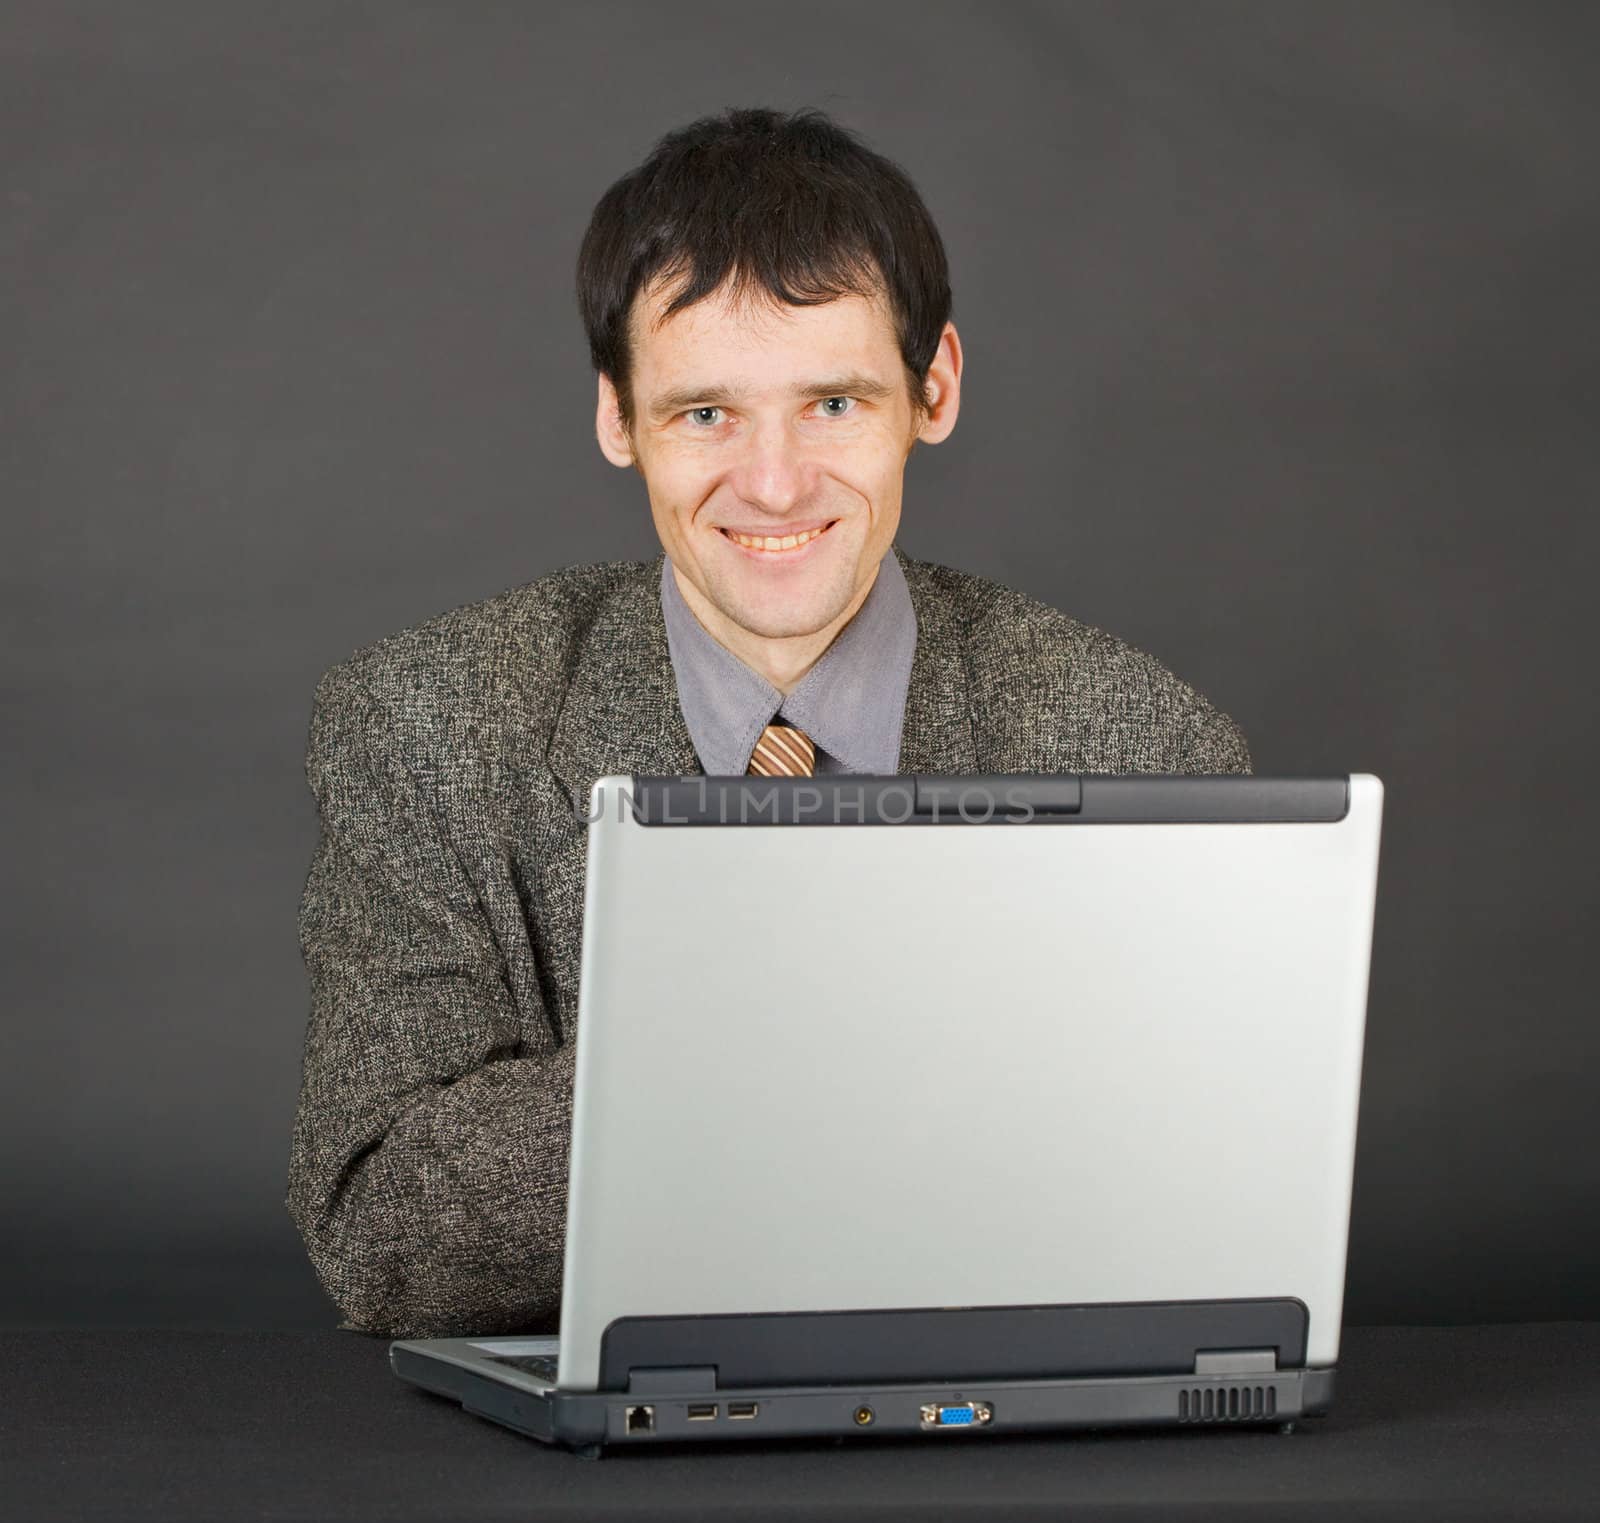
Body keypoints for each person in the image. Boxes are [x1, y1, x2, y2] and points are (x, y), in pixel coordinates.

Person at [287, 106, 1252, 1338]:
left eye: (833, 404)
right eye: (705, 414)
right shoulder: (425, 725)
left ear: (934, 389)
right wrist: (762, 1058)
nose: (776, 482)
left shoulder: (1142, 741)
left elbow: (1188, 1207)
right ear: (617, 419)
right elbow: (378, 1238)